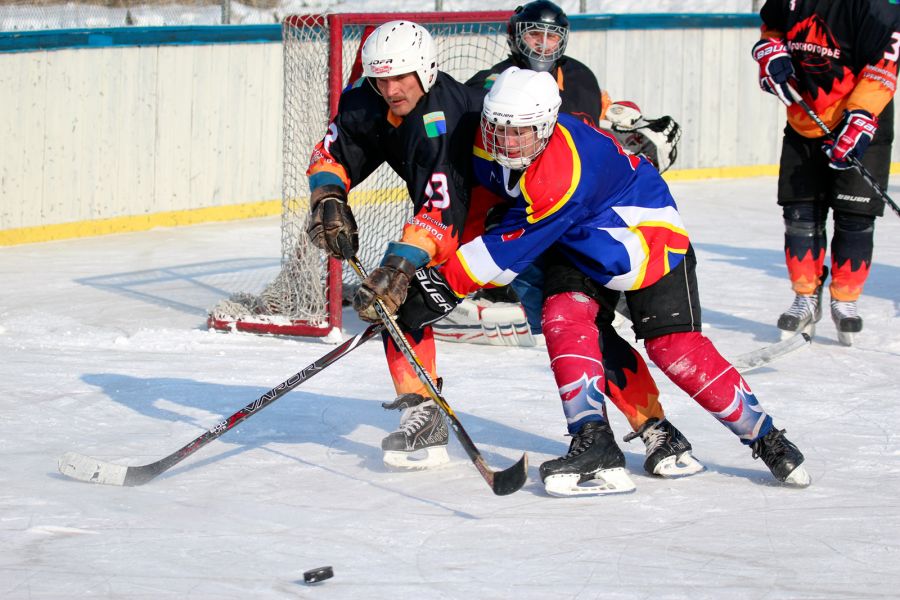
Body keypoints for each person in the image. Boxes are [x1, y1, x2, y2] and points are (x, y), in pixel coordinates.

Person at [357, 67, 812, 494]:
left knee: (675, 350)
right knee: (563, 317)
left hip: (643, 241)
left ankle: (767, 438)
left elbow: (502, 252)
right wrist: (424, 271)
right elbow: (477, 211)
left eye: (521, 132)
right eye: (501, 129)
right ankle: (593, 442)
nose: (509, 143)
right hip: (576, 239)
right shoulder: (488, 139)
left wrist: (435, 289)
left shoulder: (561, 172)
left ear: (548, 125)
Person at [442, 0, 698, 481]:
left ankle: (655, 428)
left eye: (552, 37)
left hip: (586, 227)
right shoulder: (487, 88)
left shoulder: (580, 76)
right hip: (523, 236)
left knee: (601, 330)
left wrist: (633, 135)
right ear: (515, 37)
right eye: (533, 35)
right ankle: (623, 433)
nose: (542, 45)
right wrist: (464, 260)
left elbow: (593, 138)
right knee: (585, 333)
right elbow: (468, 174)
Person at [306, 20, 489, 469]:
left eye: (400, 76)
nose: (390, 89)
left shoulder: (444, 116)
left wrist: (401, 264)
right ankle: (423, 413)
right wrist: (327, 196)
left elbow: (443, 214)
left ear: (426, 71)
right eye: (380, 78)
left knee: (573, 313)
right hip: (456, 216)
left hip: (508, 217)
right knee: (400, 305)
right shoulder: (367, 99)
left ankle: (626, 430)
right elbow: (331, 152)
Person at [752, 0, 899, 346]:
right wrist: (770, 51)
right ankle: (806, 296)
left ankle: (845, 300)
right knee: (800, 213)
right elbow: (771, 28)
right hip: (804, 120)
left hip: (862, 123)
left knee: (855, 216)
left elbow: (884, 66)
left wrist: (860, 117)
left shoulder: (875, 8)